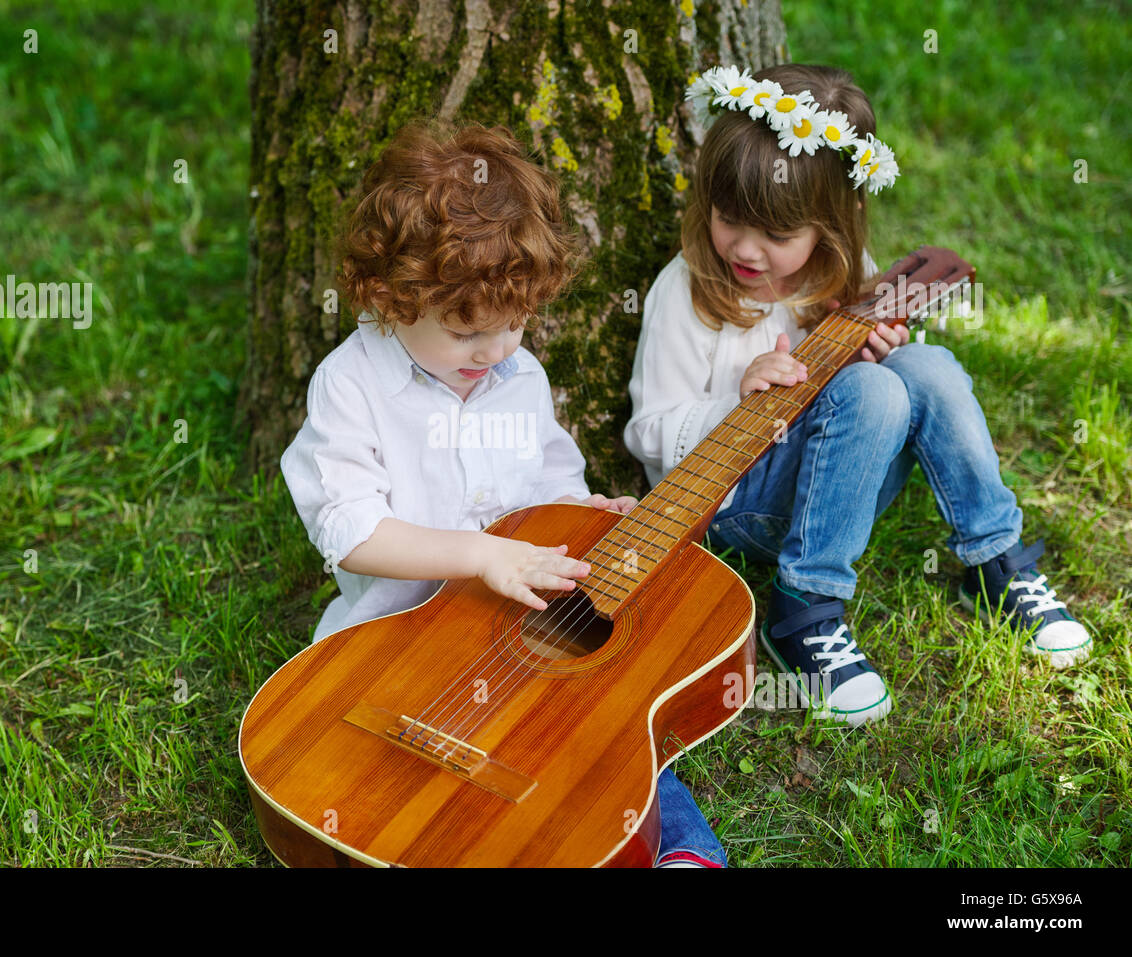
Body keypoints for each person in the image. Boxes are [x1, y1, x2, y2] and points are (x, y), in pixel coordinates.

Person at [281, 120, 726, 867]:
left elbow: (550, 482)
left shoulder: (517, 377)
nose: (494, 352)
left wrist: (587, 516)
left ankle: (675, 846)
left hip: (522, 636)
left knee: (605, 727)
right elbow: (351, 529)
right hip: (397, 650)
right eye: (466, 334)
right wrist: (480, 554)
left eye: (515, 324)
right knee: (398, 786)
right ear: (391, 297)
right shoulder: (352, 384)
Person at [624, 63, 1093, 728]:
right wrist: (739, 398)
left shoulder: (838, 272)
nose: (744, 248)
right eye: (728, 218)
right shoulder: (687, 291)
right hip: (737, 504)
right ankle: (803, 608)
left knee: (924, 365)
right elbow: (648, 432)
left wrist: (882, 348)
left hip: (842, 481)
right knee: (871, 390)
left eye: (778, 235)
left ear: (830, 224)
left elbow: (881, 379)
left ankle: (996, 561)